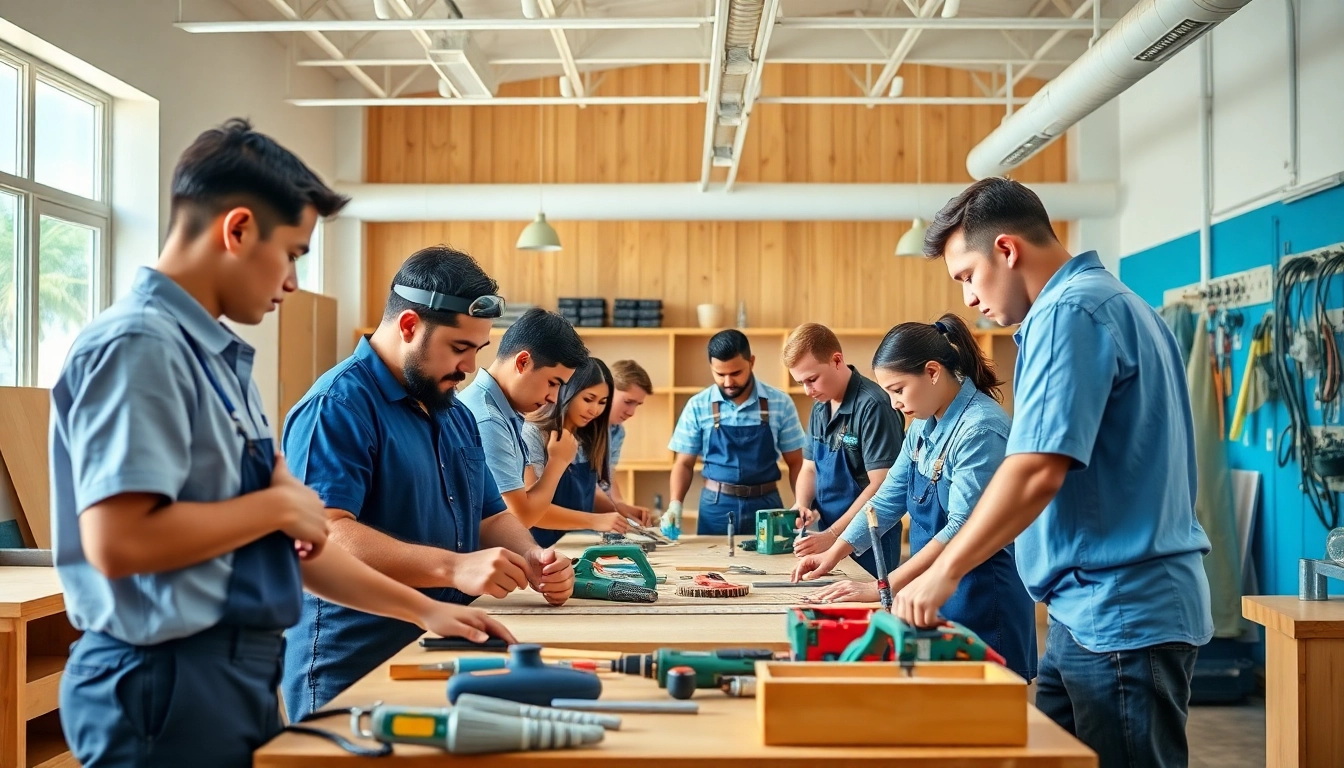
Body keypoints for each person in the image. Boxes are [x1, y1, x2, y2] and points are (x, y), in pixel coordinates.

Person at [49, 120, 511, 768]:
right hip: (164, 676)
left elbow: (295, 547)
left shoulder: (217, 360)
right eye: (293, 253)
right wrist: (271, 508)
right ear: (238, 230)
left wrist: (424, 612)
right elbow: (118, 541)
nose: (293, 282)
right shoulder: (142, 347)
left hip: (229, 674)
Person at [895, 177, 1212, 768]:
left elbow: (1036, 469)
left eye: (968, 275)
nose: (968, 299)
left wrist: (946, 571)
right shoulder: (1117, 302)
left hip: (1119, 612)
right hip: (1083, 611)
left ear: (1007, 250)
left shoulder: (1069, 313)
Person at [279, 246, 572, 721]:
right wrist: (453, 568)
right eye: (459, 348)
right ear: (410, 325)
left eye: (477, 351)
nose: (470, 367)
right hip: (353, 661)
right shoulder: (337, 407)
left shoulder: (452, 412)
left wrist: (535, 558)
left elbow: (490, 515)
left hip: (439, 647)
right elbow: (327, 535)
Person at [792, 314, 1037, 681]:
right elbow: (887, 498)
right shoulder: (922, 424)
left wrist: (882, 586)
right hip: (933, 589)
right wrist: (833, 553)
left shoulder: (980, 428)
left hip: (982, 595)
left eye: (898, 390)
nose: (893, 403)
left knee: (987, 705)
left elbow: (962, 526)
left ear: (933, 372)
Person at [459, 308, 610, 544]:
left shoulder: (508, 414)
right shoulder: (488, 419)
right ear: (523, 362)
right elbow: (522, 516)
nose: (554, 398)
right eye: (553, 383)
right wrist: (558, 463)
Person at [784, 323, 905, 579]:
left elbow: (881, 485)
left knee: (868, 600)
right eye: (801, 382)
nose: (807, 390)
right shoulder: (820, 406)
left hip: (869, 539)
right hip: (827, 534)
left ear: (837, 360)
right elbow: (809, 467)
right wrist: (801, 503)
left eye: (812, 379)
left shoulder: (874, 406)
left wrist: (834, 535)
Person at [667, 330, 806, 535]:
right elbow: (683, 463)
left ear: (751, 362)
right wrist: (675, 503)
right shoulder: (697, 405)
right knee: (712, 556)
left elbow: (796, 463)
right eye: (720, 374)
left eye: (736, 373)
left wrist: (802, 503)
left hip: (766, 506)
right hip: (716, 506)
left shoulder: (780, 403)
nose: (728, 382)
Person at [522, 358, 632, 546]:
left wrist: (619, 512)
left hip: (578, 545)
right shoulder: (533, 434)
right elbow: (530, 512)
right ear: (566, 392)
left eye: (602, 402)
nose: (595, 410)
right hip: (539, 550)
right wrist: (595, 521)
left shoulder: (589, 437)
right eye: (588, 399)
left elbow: (584, 493)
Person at [604, 359, 654, 523]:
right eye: (628, 402)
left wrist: (621, 505)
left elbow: (608, 475)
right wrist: (615, 510)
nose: (631, 412)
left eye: (637, 405)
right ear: (606, 390)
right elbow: (584, 486)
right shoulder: (582, 426)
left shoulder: (617, 432)